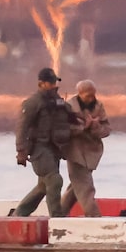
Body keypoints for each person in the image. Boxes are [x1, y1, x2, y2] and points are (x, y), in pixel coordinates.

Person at [13, 67, 72, 217]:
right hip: (39, 148)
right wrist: (21, 151)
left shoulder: (57, 101)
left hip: (54, 148)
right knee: (54, 180)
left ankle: (19, 214)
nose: (54, 85)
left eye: (55, 82)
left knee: (43, 186)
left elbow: (69, 114)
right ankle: (57, 219)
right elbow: (22, 127)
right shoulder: (32, 103)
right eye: (50, 83)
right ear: (41, 84)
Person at [60, 79, 111, 217]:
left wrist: (96, 126)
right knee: (85, 187)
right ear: (80, 94)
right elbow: (64, 130)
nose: (91, 98)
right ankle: (94, 215)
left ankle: (59, 214)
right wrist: (83, 127)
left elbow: (107, 129)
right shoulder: (68, 107)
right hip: (75, 153)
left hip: (92, 154)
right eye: (88, 95)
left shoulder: (98, 106)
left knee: (77, 187)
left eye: (93, 94)